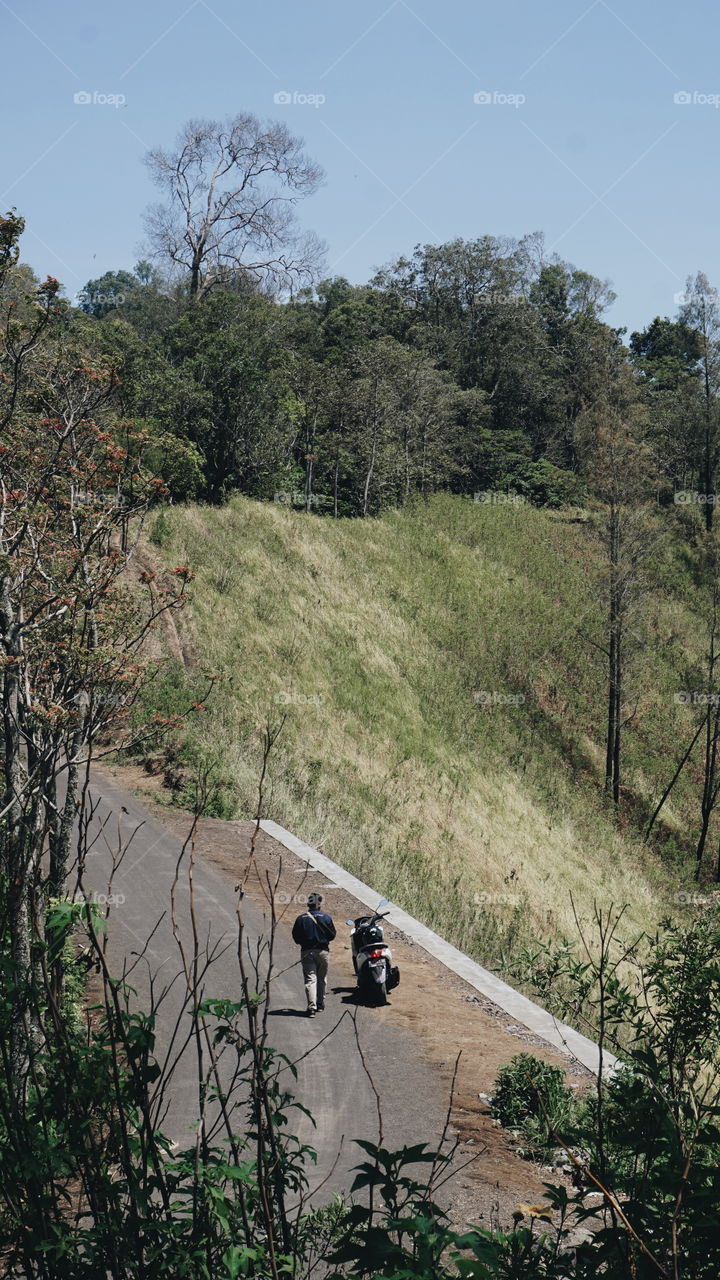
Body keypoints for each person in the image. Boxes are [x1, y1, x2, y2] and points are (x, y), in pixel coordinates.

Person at [292, 892, 336, 1017]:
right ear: (319, 904)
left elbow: (296, 936)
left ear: (308, 904)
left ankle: (311, 1008)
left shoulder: (301, 918)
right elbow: (332, 935)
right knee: (322, 978)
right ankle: (320, 1004)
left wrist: (304, 943)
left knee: (311, 979)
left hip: (306, 952)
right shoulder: (326, 917)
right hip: (323, 952)